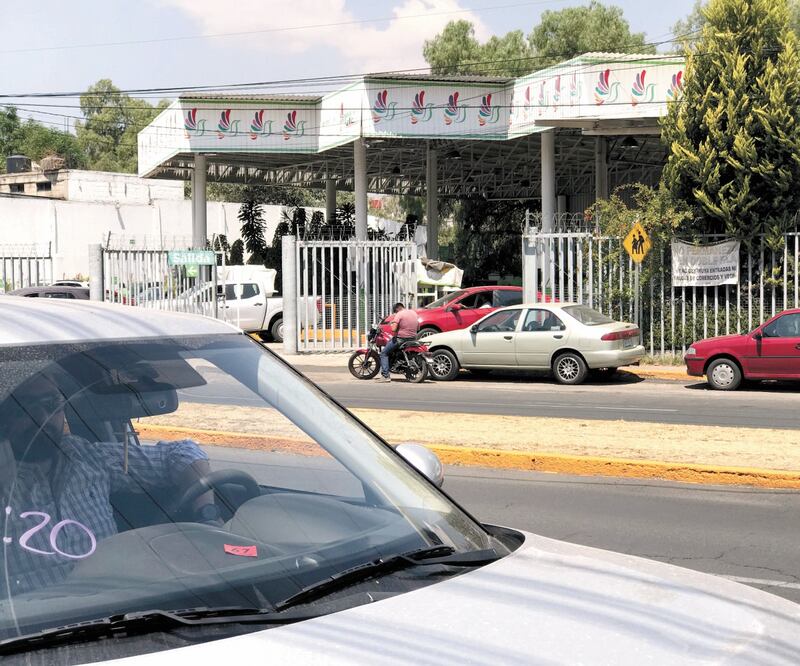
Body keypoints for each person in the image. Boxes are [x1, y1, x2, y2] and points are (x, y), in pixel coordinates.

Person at [0, 370, 213, 595]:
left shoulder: (89, 457)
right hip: (37, 624)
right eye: (23, 407)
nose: (42, 418)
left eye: (51, 403)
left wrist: (208, 515)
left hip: (120, 611)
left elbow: (184, 452)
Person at [377, 302, 419, 383]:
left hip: (401, 339)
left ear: (397, 309)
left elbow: (393, 329)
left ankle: (385, 376)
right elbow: (418, 327)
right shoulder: (414, 313)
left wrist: (393, 323)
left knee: (384, 353)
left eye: (395, 312)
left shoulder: (399, 314)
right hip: (413, 338)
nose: (395, 313)